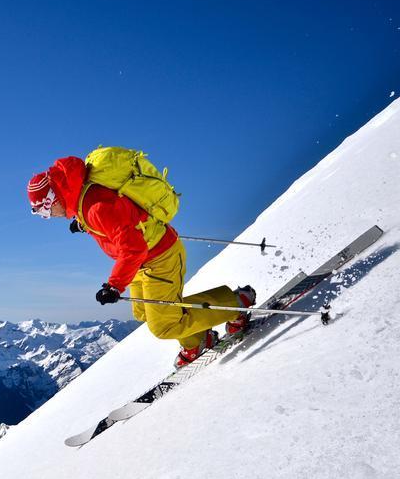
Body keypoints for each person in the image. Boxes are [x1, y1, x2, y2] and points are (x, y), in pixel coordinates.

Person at [27, 153, 255, 368]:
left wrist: (114, 285)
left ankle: (236, 303)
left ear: (53, 198)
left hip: (159, 257)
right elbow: (116, 222)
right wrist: (83, 224)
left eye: (44, 211)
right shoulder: (81, 199)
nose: (47, 217)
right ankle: (198, 339)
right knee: (143, 312)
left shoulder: (96, 207)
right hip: (141, 263)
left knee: (165, 325)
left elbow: (132, 246)